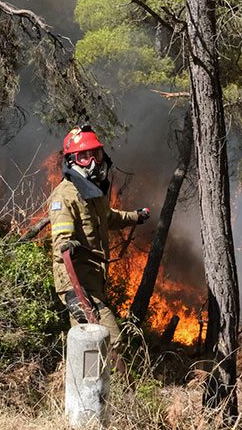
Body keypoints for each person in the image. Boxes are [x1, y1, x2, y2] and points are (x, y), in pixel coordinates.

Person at [48, 124, 150, 345]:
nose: (93, 161)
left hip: (95, 278)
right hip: (76, 282)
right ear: (72, 161)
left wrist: (135, 216)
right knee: (109, 339)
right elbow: (61, 247)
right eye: (84, 157)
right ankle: (106, 378)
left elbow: (108, 218)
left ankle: (84, 380)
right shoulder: (64, 196)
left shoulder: (93, 191)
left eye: (96, 154)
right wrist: (68, 246)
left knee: (87, 344)